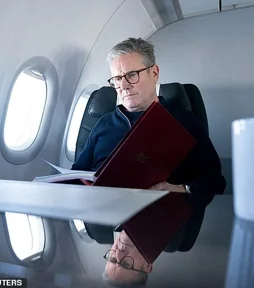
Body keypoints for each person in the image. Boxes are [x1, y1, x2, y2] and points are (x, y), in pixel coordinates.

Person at [72, 37, 226, 286]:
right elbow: (76, 175)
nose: (123, 86)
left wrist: (180, 189)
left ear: (154, 72)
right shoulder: (103, 124)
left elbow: (215, 181)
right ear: (147, 265)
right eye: (117, 78)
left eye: (131, 75)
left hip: (159, 211)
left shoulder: (183, 122)